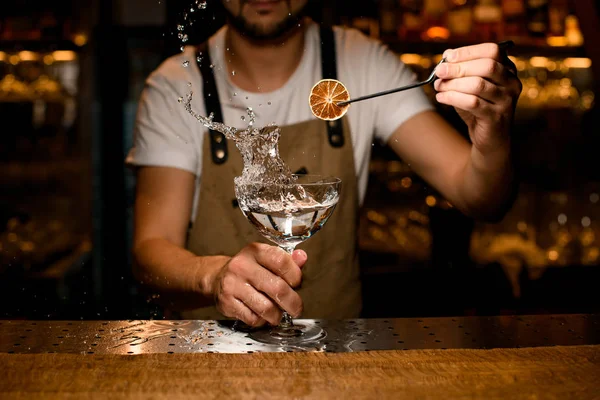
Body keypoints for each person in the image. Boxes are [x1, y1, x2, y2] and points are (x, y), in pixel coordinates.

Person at [126, 0, 522, 326]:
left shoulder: (362, 63)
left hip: (337, 360)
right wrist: (213, 277)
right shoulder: (177, 86)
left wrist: (492, 134)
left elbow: (482, 199)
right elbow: (149, 254)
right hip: (205, 361)